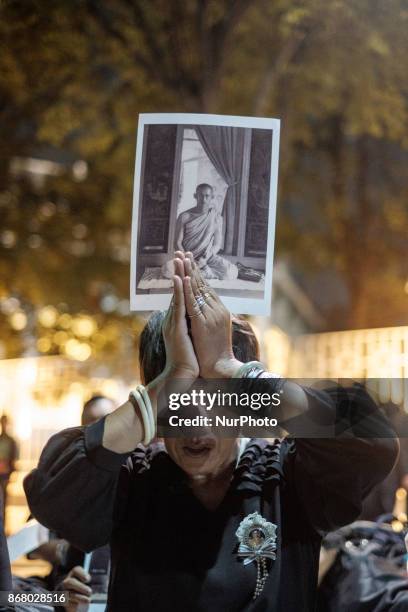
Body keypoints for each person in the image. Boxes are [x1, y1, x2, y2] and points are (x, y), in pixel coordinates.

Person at [24, 252, 398, 611]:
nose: (196, 422)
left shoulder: (286, 478)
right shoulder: (132, 481)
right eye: (178, 401)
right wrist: (160, 387)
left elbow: (369, 440)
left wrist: (234, 369)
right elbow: (52, 493)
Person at [163, 184, 238, 281]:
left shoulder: (216, 217)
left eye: (207, 196)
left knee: (231, 272)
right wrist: (188, 259)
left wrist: (205, 258)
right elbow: (177, 243)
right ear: (195, 196)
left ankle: (198, 272)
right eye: (201, 195)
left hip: (206, 257)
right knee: (167, 270)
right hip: (187, 256)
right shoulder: (184, 216)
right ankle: (204, 273)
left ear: (212, 197)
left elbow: (217, 244)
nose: (204, 199)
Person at [0, 414, 18, 525]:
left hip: (5, 473)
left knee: (4, 498)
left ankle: (3, 521)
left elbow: (13, 458)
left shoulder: (11, 441)